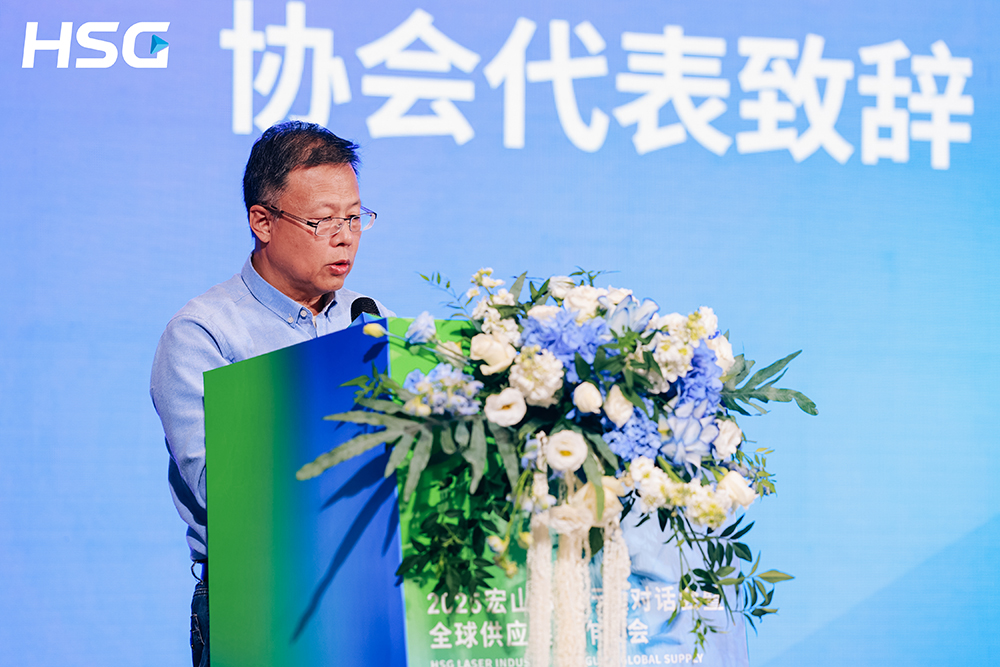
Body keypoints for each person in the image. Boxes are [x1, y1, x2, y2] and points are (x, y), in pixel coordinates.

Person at [150, 121, 392, 666]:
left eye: (355, 217)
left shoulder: (371, 320)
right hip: (259, 597)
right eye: (323, 221)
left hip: (371, 595)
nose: (345, 237)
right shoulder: (204, 333)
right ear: (262, 221)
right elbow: (221, 489)